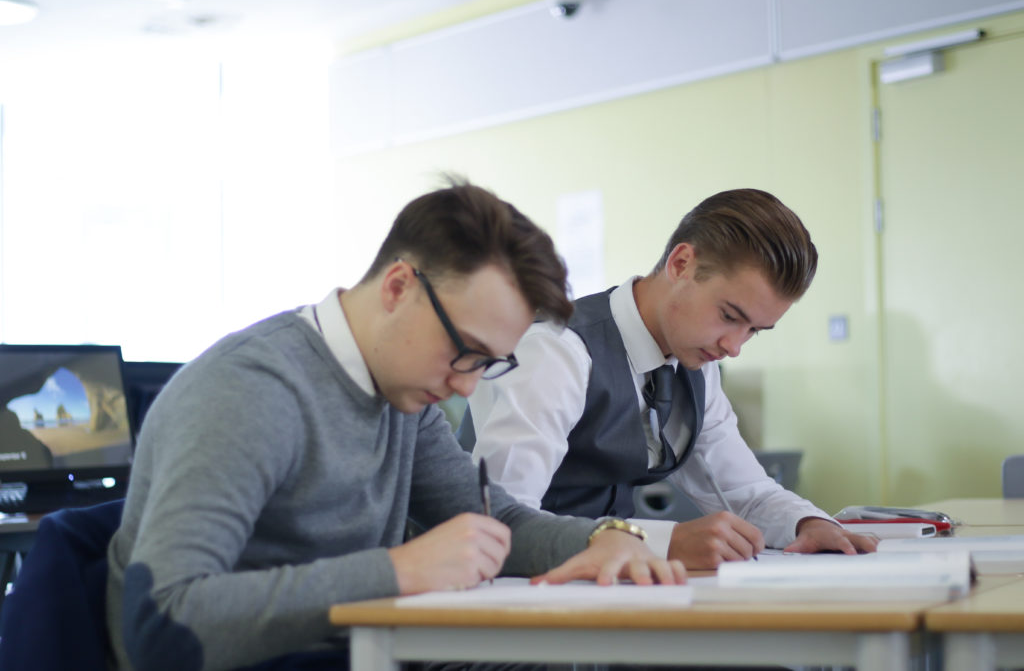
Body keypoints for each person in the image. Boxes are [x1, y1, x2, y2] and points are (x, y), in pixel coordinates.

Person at [105, 179, 684, 671]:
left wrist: (603, 539)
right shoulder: (250, 392)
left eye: (489, 364)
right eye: (465, 351)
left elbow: (492, 521)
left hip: (366, 652)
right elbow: (161, 624)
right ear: (398, 287)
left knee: (593, 654)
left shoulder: (400, 394)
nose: (466, 386)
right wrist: (398, 569)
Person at [460, 188, 878, 569]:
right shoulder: (557, 349)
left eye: (753, 330)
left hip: (607, 592)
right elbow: (498, 520)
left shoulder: (695, 365)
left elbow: (744, 491)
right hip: (506, 599)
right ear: (681, 264)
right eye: (730, 316)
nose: (734, 346)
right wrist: (663, 540)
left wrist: (809, 523)